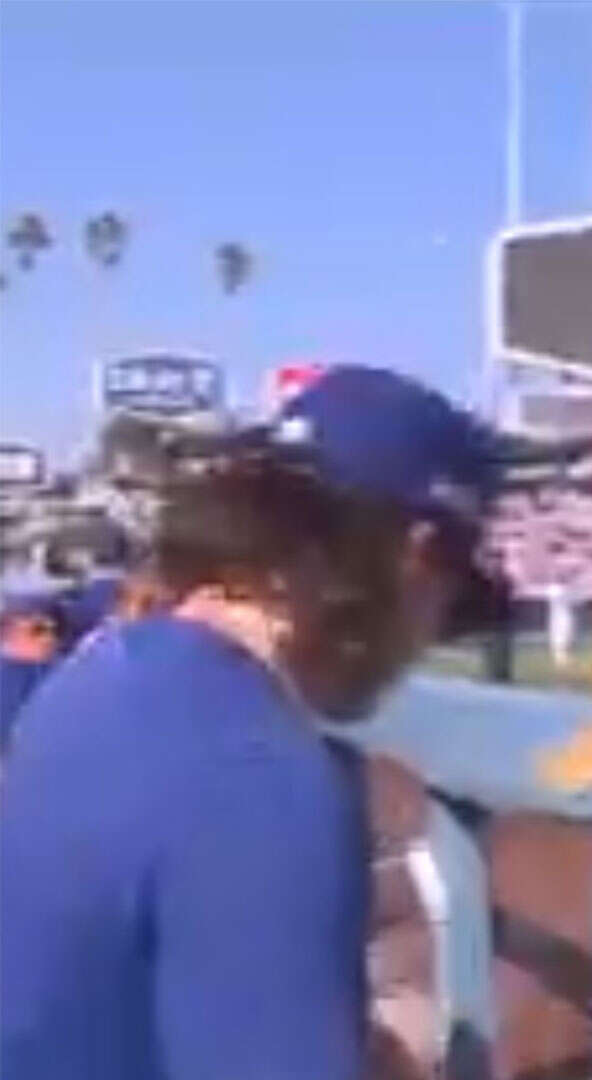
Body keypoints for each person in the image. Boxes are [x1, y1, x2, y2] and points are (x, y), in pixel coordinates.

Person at [0, 366, 504, 1079]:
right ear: (419, 557)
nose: (431, 638)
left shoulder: (98, 675)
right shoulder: (263, 774)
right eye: (453, 607)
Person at [0, 592, 64, 753]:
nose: (49, 638)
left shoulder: (68, 672)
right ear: (9, 630)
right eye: (38, 630)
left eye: (56, 631)